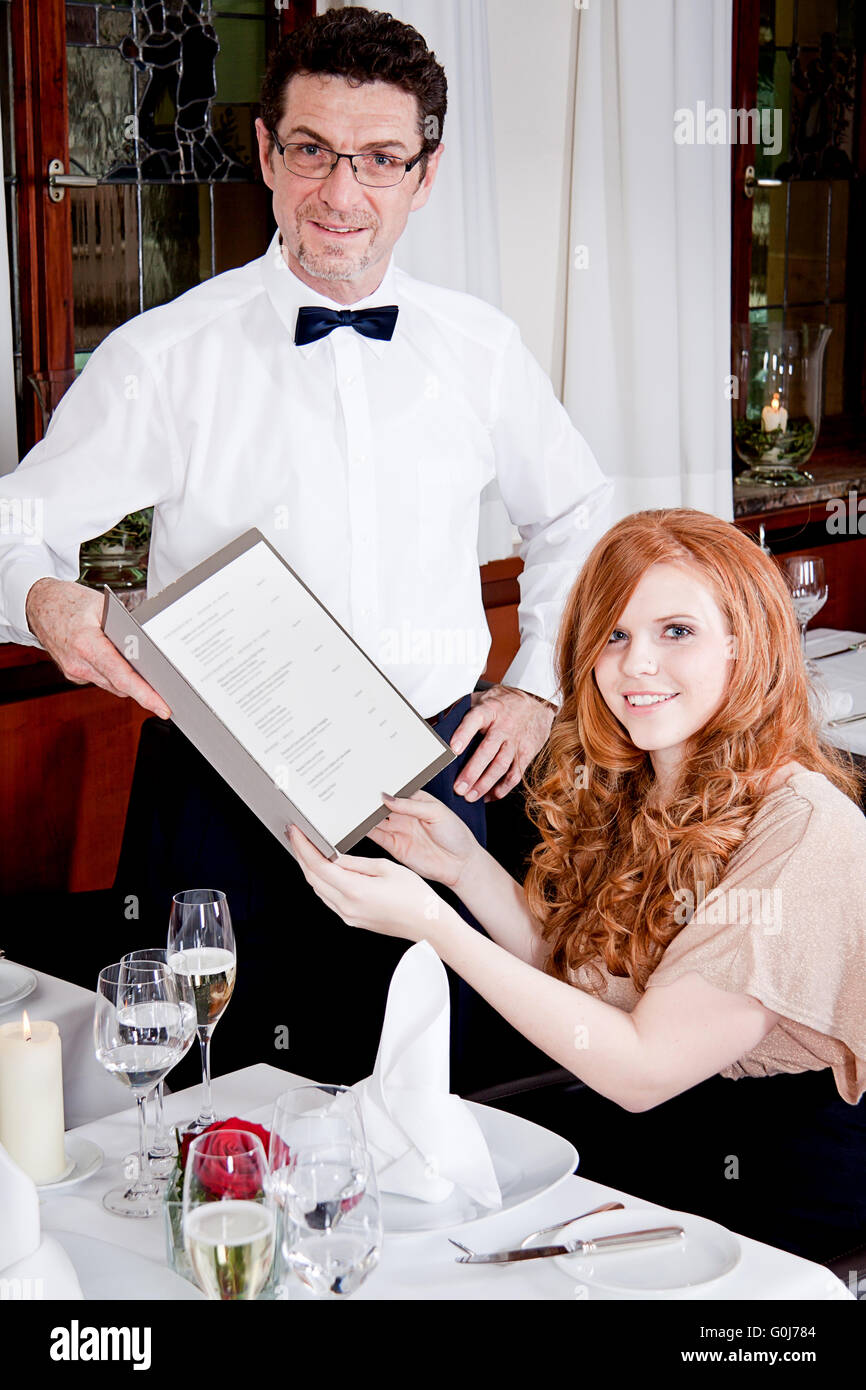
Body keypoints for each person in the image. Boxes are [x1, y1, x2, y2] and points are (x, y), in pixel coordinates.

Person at [0, 8, 611, 1085]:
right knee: (210, 1091)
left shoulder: (480, 349)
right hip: (220, 786)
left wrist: (535, 686)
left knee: (425, 1097)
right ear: (268, 154)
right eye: (313, 151)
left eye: (379, 160)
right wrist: (45, 601)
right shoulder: (165, 354)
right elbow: (18, 521)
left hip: (429, 779)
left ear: (423, 177)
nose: (341, 194)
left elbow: (578, 518)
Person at [291, 508, 866, 1262]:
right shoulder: (641, 780)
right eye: (616, 635)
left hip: (773, 1192)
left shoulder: (806, 829)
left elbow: (642, 1068)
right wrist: (464, 866)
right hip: (656, 1148)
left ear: (744, 644)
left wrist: (438, 926)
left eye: (677, 632)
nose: (637, 665)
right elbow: (580, 982)